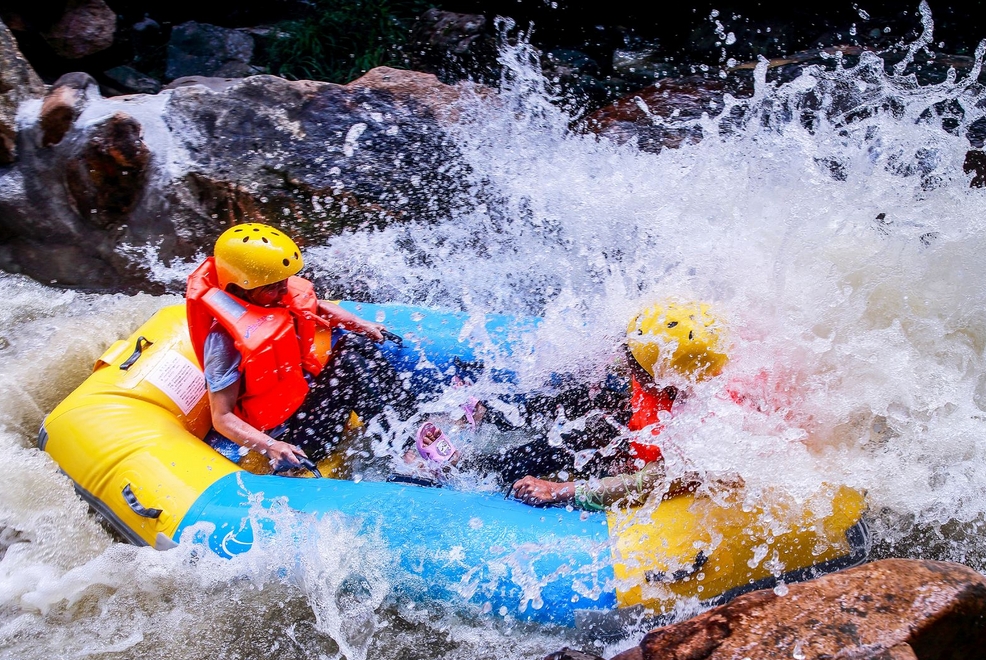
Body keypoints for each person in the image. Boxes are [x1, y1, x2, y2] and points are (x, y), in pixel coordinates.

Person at [186, 222, 415, 472]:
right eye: (271, 287)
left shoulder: (272, 294)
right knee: (350, 365)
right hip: (294, 437)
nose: (283, 289)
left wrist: (359, 323)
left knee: (354, 342)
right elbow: (222, 418)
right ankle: (404, 451)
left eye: (283, 281)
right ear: (239, 287)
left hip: (305, 400)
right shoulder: (223, 341)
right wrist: (271, 446)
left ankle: (413, 419)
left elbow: (314, 307)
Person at [509, 301, 729, 510]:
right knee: (582, 402)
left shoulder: (708, 424)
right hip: (635, 434)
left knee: (589, 434)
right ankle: (485, 415)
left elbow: (649, 482)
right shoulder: (688, 349)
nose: (628, 362)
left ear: (664, 380)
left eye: (634, 365)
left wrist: (557, 490)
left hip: (650, 468)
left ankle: (503, 468)